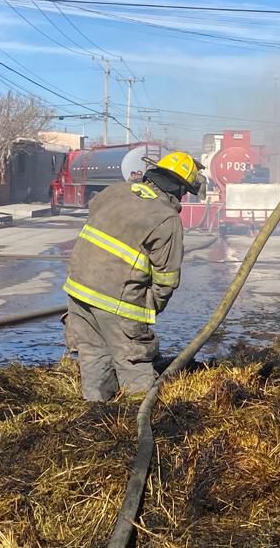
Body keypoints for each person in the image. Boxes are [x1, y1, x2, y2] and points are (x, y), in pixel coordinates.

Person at [62, 151, 202, 401]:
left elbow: (95, 217)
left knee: (94, 356)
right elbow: (166, 280)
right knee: (134, 364)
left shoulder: (116, 191)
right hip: (119, 301)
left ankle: (95, 422)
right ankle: (135, 426)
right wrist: (147, 309)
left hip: (78, 291)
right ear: (179, 188)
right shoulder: (166, 218)